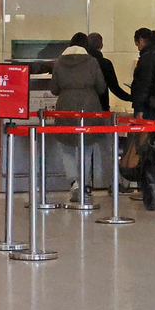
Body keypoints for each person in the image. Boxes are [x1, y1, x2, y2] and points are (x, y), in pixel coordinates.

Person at [49, 35, 108, 201]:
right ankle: (84, 184)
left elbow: (54, 89)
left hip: (65, 107)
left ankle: (74, 182)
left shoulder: (59, 62)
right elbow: (101, 87)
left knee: (66, 147)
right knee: (87, 146)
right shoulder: (92, 61)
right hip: (89, 106)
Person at [85, 33, 130, 112]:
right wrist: (131, 98)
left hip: (83, 106)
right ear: (101, 46)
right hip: (101, 105)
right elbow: (115, 88)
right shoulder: (105, 63)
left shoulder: (82, 63)